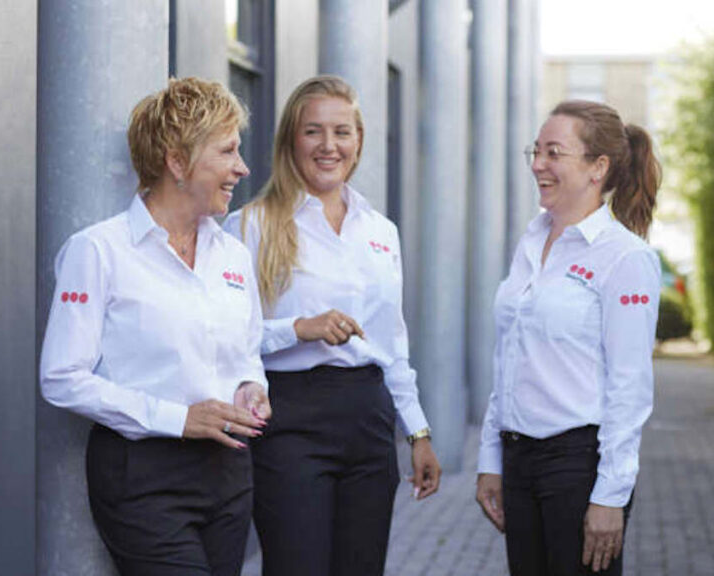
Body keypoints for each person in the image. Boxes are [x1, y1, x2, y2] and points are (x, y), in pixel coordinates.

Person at [39, 77, 272, 576]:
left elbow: (247, 352)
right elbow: (61, 377)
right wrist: (176, 418)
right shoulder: (98, 251)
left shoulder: (233, 254)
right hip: (142, 476)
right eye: (227, 151)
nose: (243, 167)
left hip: (229, 472)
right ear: (177, 162)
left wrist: (253, 386)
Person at [223, 75, 441, 576]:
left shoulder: (380, 231)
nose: (329, 145)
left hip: (368, 418)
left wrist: (418, 432)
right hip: (288, 419)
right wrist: (299, 328)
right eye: (313, 131)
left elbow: (393, 343)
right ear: (290, 140)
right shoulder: (250, 226)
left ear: (359, 140)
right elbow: (228, 339)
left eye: (342, 132)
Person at [475, 100, 662, 576]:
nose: (538, 164)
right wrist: (491, 460)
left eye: (554, 152)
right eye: (536, 151)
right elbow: (509, 360)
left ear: (598, 167)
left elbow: (630, 387)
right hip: (519, 460)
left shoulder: (625, 258)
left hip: (578, 467)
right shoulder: (532, 242)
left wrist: (610, 496)